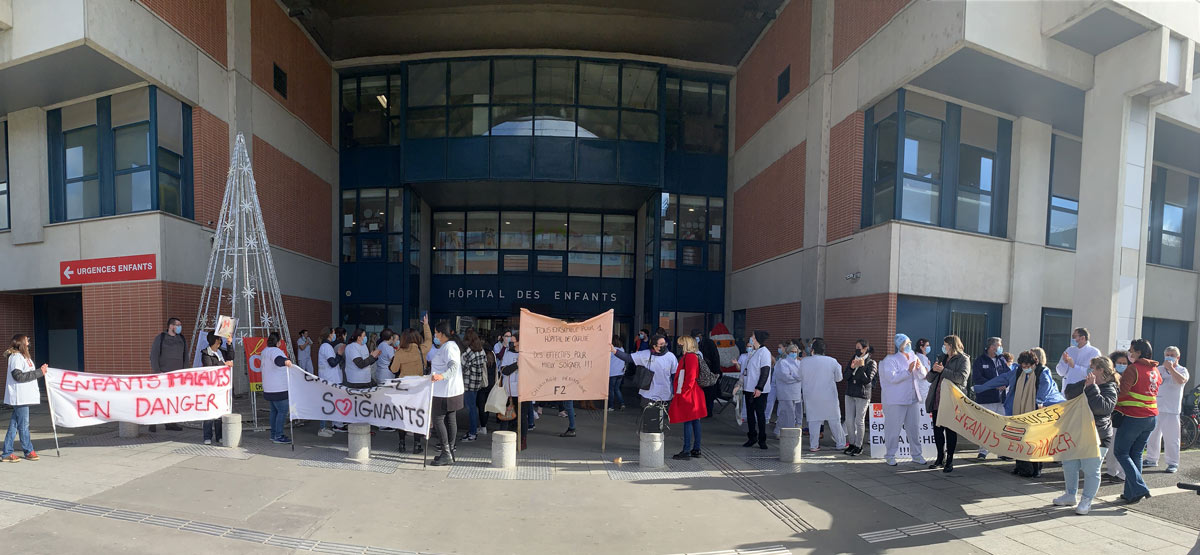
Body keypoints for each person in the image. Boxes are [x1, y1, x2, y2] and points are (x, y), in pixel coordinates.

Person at [976, 350, 1067, 477]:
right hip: (1020, 411)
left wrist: (1039, 400)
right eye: (1023, 366)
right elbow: (1001, 379)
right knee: (1020, 439)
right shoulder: (1018, 372)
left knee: (1034, 441)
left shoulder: (1042, 372)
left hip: (1036, 411)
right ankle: (1020, 467)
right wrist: (981, 387)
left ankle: (1035, 469)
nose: (1025, 368)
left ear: (1033, 363)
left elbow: (1045, 386)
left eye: (1027, 366)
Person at [1054, 355, 1119, 515]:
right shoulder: (1088, 383)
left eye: (1092, 368)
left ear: (1101, 370)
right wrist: (1086, 385)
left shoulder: (1110, 389)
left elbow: (1101, 408)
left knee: (1091, 469)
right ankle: (1070, 494)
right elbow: (1069, 392)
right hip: (1078, 431)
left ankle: (1087, 500)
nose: (1089, 371)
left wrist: (1091, 388)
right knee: (1069, 465)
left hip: (1098, 435)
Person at [1112, 338, 1163, 504]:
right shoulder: (1155, 370)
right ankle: (1130, 493)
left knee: (1121, 452)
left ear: (1139, 352)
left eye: (1132, 350)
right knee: (1136, 454)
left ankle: (1139, 487)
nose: (1130, 353)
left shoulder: (1133, 369)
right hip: (1151, 417)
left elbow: (1123, 392)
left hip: (1134, 417)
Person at [613, 333, 679, 433]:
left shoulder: (671, 357)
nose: (664, 346)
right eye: (661, 344)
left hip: (665, 394)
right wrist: (614, 351)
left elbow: (675, 376)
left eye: (664, 343)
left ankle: (656, 441)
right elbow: (628, 358)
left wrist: (675, 392)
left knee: (660, 420)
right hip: (648, 393)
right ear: (654, 346)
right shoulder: (645, 354)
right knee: (649, 418)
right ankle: (648, 439)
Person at [880, 334, 927, 466]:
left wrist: (918, 368)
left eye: (909, 343)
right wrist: (908, 371)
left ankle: (917, 454)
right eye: (906, 343)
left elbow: (923, 375)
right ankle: (890, 455)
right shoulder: (891, 359)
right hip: (897, 400)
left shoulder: (914, 356)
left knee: (914, 428)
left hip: (912, 399)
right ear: (899, 345)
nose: (908, 346)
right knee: (893, 429)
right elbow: (892, 378)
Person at [926, 335, 971, 472]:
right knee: (937, 431)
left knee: (950, 431)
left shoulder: (964, 359)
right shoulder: (942, 357)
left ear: (952, 345)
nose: (944, 347)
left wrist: (943, 371)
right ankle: (940, 457)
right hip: (937, 399)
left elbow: (962, 378)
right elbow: (929, 378)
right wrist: (934, 370)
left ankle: (950, 460)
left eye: (945, 345)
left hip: (951, 401)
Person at [3, 335, 48, 463]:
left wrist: (40, 371)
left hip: (24, 396)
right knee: (23, 425)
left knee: (14, 424)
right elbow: (18, 376)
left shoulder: (24, 357)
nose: (28, 342)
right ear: (22, 342)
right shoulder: (16, 357)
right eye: (27, 340)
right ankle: (28, 450)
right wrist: (40, 372)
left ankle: (7, 452)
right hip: (20, 396)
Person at [1145, 345, 1190, 473]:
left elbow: (1181, 381)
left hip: (1172, 410)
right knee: (1153, 435)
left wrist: (1171, 368)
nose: (1169, 357)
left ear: (1178, 357)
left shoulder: (1182, 370)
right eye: (1167, 354)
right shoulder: (1158, 369)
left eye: (1172, 355)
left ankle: (1172, 463)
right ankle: (1151, 458)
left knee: (1172, 438)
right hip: (1156, 407)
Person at [429, 321, 464, 466]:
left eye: (436, 333)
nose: (435, 336)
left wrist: (442, 376)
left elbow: (453, 366)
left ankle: (446, 452)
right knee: (450, 419)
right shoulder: (448, 346)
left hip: (445, 391)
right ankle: (449, 452)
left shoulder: (449, 347)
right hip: (449, 390)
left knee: (438, 419)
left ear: (442, 334)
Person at [669, 336, 707, 459]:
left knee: (688, 422)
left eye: (681, 344)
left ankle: (686, 450)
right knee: (695, 421)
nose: (679, 346)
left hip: (690, 393)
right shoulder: (692, 356)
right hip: (694, 393)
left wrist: (683, 392)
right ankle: (696, 449)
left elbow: (690, 377)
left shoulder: (690, 357)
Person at [973, 337, 1010, 459]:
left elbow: (1009, 375)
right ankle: (983, 451)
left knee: (1001, 426)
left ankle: (1001, 452)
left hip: (1001, 400)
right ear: (992, 347)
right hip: (986, 399)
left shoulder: (1002, 360)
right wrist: (995, 386)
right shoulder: (980, 361)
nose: (1000, 348)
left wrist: (1006, 384)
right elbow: (978, 379)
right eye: (999, 345)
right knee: (986, 425)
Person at [149, 317, 188, 431]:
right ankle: (153, 422)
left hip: (177, 376)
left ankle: (171, 423)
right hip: (163, 375)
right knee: (159, 400)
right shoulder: (161, 338)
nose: (180, 327)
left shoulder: (182, 339)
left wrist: (185, 371)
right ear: (171, 326)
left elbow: (185, 356)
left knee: (173, 400)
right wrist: (157, 372)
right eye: (178, 325)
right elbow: (154, 355)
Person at [842, 339, 877, 456]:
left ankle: (858, 445)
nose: (857, 350)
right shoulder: (853, 359)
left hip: (862, 394)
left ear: (865, 349)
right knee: (849, 420)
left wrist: (861, 367)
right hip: (850, 393)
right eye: (856, 347)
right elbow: (845, 376)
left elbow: (867, 380)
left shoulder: (871, 363)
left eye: (859, 347)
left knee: (859, 421)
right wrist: (852, 368)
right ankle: (851, 443)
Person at [499, 332, 534, 446]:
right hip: (509, 392)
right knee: (506, 416)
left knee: (522, 417)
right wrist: (516, 365)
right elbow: (504, 370)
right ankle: (503, 441)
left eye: (513, 341)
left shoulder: (528, 354)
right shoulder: (508, 354)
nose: (511, 343)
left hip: (523, 391)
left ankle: (522, 441)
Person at [261, 332, 296, 444]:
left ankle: (273, 434)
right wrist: (286, 362)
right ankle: (278, 435)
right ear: (278, 342)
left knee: (274, 412)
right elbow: (278, 360)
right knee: (282, 411)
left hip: (268, 388)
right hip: (279, 389)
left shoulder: (265, 351)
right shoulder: (276, 351)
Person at [199, 332, 233, 445]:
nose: (220, 341)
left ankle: (219, 436)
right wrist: (224, 364)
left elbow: (231, 356)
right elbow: (210, 368)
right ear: (214, 341)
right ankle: (207, 436)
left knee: (219, 412)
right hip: (210, 387)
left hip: (221, 387)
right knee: (209, 413)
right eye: (218, 339)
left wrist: (229, 344)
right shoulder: (205, 353)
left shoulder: (221, 351)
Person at [742, 330, 773, 449]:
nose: (751, 338)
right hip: (749, 388)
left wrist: (759, 387)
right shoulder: (754, 352)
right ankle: (752, 437)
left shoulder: (764, 352)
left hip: (759, 390)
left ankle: (762, 439)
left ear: (757, 338)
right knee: (750, 414)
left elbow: (765, 371)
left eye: (753, 336)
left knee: (760, 414)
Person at [1104, 350, 1130, 483]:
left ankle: (1121, 473)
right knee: (1111, 445)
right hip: (1112, 414)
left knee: (1120, 446)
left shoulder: (1129, 377)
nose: (1122, 365)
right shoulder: (1110, 376)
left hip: (1123, 414)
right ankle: (1111, 470)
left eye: (1124, 363)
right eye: (1119, 363)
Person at [460, 330, 489, 442]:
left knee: (471, 408)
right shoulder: (481, 351)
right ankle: (473, 430)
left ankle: (472, 433)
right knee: (474, 408)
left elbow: (462, 368)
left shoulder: (468, 352)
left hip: (468, 383)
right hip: (477, 383)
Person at [315, 328, 345, 437]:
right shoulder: (326, 347)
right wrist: (340, 354)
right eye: (333, 333)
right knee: (326, 403)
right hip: (328, 379)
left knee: (329, 403)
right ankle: (322, 428)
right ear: (330, 334)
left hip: (329, 378)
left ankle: (324, 426)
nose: (334, 335)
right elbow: (332, 363)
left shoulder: (326, 346)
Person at [772, 341, 803, 439]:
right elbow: (785, 377)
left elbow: (802, 375)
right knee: (789, 414)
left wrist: (795, 376)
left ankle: (778, 430)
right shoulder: (783, 362)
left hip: (796, 392)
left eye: (795, 352)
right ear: (788, 352)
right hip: (785, 392)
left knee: (788, 413)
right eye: (792, 351)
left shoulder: (799, 363)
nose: (794, 353)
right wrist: (797, 377)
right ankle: (789, 434)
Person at [698, 338, 722, 417]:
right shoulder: (713, 354)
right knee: (709, 396)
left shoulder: (702, 355)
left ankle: (706, 411)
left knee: (706, 395)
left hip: (706, 377)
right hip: (712, 377)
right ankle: (708, 411)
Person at [609, 334, 626, 411]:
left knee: (611, 390)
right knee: (617, 389)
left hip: (612, 372)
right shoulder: (622, 349)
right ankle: (622, 403)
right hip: (620, 372)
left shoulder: (611, 350)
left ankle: (611, 406)